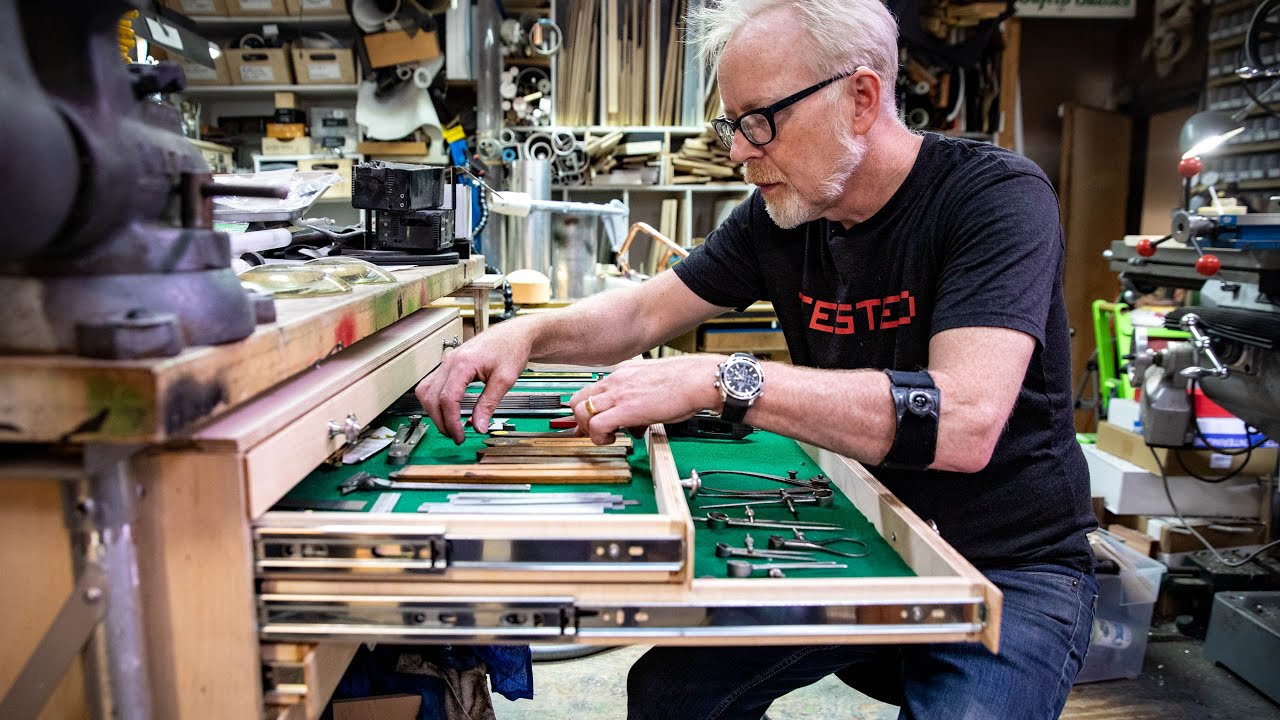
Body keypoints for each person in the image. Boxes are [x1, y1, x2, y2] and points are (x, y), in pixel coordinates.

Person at [418, 0, 1098, 717]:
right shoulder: (786, 214)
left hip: (1010, 564)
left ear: (861, 99)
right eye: (731, 124)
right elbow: (647, 310)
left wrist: (722, 378)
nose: (739, 151)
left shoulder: (993, 199)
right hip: (858, 533)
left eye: (759, 121)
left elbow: (961, 421)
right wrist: (524, 336)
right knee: (669, 692)